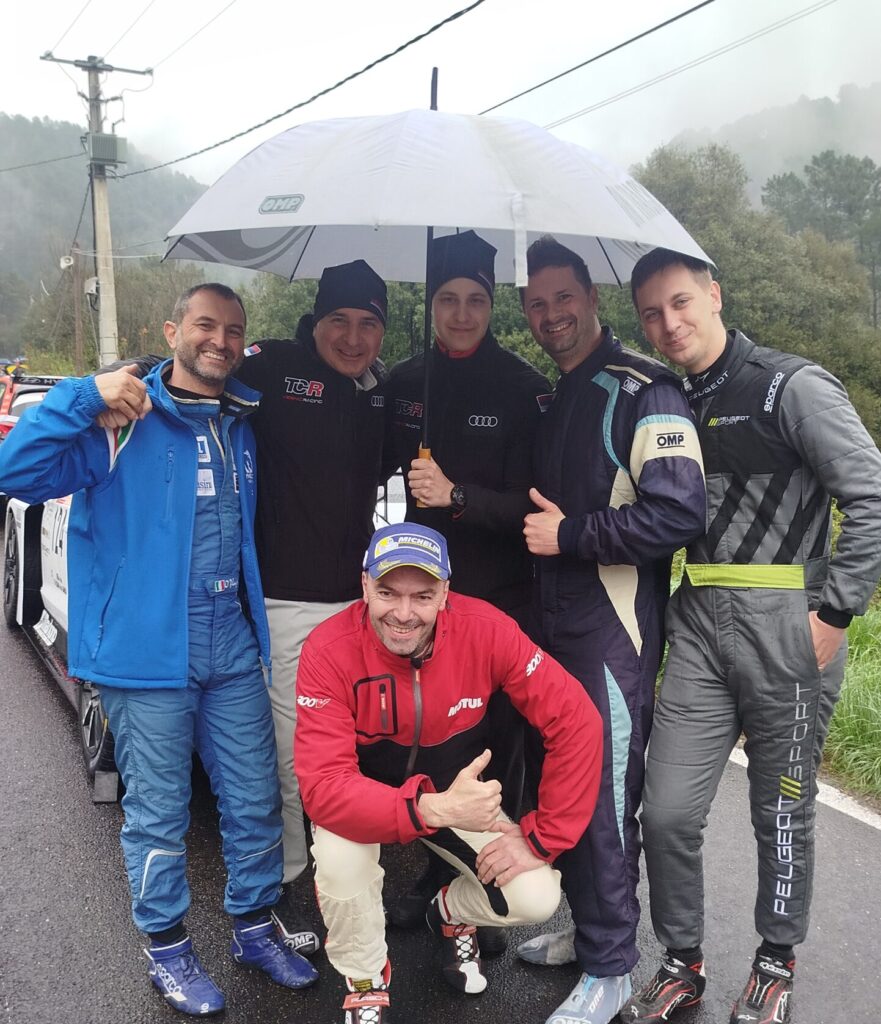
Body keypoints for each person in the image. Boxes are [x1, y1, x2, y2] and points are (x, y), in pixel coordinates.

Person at [0, 284, 319, 1015]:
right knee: (158, 813)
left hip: (230, 641)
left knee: (255, 800)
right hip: (146, 651)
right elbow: (14, 470)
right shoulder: (121, 419)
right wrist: (86, 393)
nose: (219, 340)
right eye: (205, 325)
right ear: (172, 330)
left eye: (233, 330)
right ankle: (168, 951)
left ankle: (253, 927)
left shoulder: (240, 422)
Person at [619, 248, 881, 1024]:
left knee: (781, 810)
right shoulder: (665, 401)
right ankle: (681, 960)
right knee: (666, 812)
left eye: (679, 302)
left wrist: (834, 614)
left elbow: (870, 494)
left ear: (713, 295)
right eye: (651, 314)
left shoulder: (789, 385)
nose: (668, 323)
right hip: (697, 625)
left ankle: (774, 960)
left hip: (789, 627)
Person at [294, 522, 604, 1024]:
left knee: (536, 896)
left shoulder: (487, 629)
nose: (403, 613)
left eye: (422, 596)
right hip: (371, 800)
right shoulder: (327, 649)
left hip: (453, 797)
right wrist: (429, 808)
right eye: (388, 592)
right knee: (339, 861)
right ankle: (365, 980)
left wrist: (543, 837)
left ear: (445, 594)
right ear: (365, 586)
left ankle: (451, 912)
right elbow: (324, 789)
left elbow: (577, 720)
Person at [517, 237, 707, 1024]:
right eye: (536, 303)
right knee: (560, 786)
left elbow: (678, 513)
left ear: (591, 297)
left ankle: (611, 966)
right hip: (549, 626)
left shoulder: (643, 390)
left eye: (563, 297)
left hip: (611, 631)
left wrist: (569, 536)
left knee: (602, 797)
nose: (551, 314)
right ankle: (588, 928)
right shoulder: (557, 394)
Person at [383, 230, 551, 930]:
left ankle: (482, 884)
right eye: (447, 299)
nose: (460, 313)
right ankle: (434, 858)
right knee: (429, 735)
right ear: (430, 304)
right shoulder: (403, 383)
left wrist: (456, 496)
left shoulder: (523, 388)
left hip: (499, 599)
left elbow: (531, 509)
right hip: (420, 602)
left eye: (475, 300)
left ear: (491, 304)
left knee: (494, 743)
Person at [232, 259, 388, 942]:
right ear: (315, 321)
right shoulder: (271, 367)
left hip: (358, 605)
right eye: (339, 321)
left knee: (350, 752)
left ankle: (347, 878)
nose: (353, 338)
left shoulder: (379, 392)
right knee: (297, 757)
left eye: (368, 324)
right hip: (285, 603)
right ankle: (294, 884)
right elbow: (192, 372)